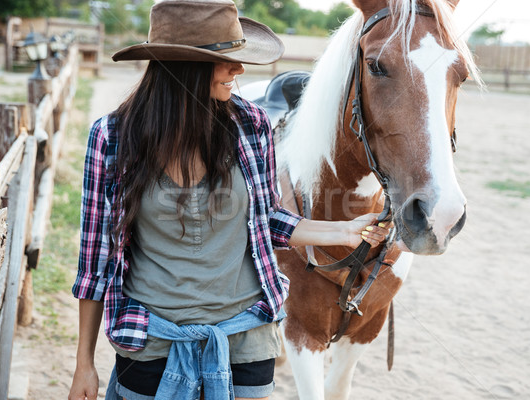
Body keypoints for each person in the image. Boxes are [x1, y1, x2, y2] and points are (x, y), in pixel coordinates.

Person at [68, 1, 390, 399]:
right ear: (186, 66)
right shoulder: (113, 138)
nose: (239, 70)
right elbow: (96, 259)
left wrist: (346, 229)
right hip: (150, 342)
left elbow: (269, 218)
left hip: (245, 339)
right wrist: (84, 363)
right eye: (225, 60)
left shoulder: (251, 125)